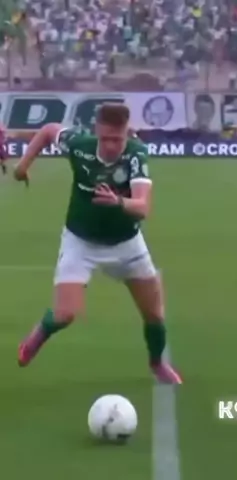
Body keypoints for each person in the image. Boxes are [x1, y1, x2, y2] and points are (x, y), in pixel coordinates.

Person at [13, 103, 182, 385]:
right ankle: (35, 339)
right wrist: (22, 166)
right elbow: (48, 131)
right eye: (105, 139)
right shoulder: (80, 145)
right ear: (96, 132)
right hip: (81, 242)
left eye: (117, 139)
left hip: (127, 244)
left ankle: (157, 364)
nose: (111, 146)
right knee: (65, 314)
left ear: (127, 133)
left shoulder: (136, 154)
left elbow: (143, 207)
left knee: (154, 313)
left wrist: (118, 202)